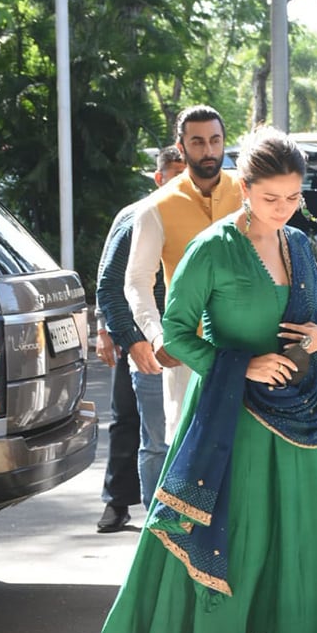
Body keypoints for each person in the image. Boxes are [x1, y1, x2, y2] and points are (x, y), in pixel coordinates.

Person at [90, 129, 317, 633]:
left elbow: (314, 323)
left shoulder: (299, 246)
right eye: (273, 198)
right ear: (245, 191)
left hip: (297, 422)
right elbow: (175, 332)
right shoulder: (212, 248)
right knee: (225, 543)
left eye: (294, 197)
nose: (285, 209)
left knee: (301, 544)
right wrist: (240, 365)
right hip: (229, 421)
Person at [124, 105, 243, 445]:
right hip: (187, 351)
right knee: (188, 456)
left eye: (215, 140)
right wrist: (157, 335)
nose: (208, 151)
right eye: (198, 142)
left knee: (248, 456)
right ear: (181, 146)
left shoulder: (248, 195)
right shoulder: (156, 207)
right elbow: (136, 280)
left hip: (250, 345)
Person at [95, 146, 186, 533]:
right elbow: (111, 280)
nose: (181, 179)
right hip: (137, 338)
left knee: (175, 432)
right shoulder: (137, 215)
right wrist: (111, 331)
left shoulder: (201, 216)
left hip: (185, 345)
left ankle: (185, 517)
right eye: (173, 172)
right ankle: (121, 505)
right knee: (134, 425)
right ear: (158, 176)